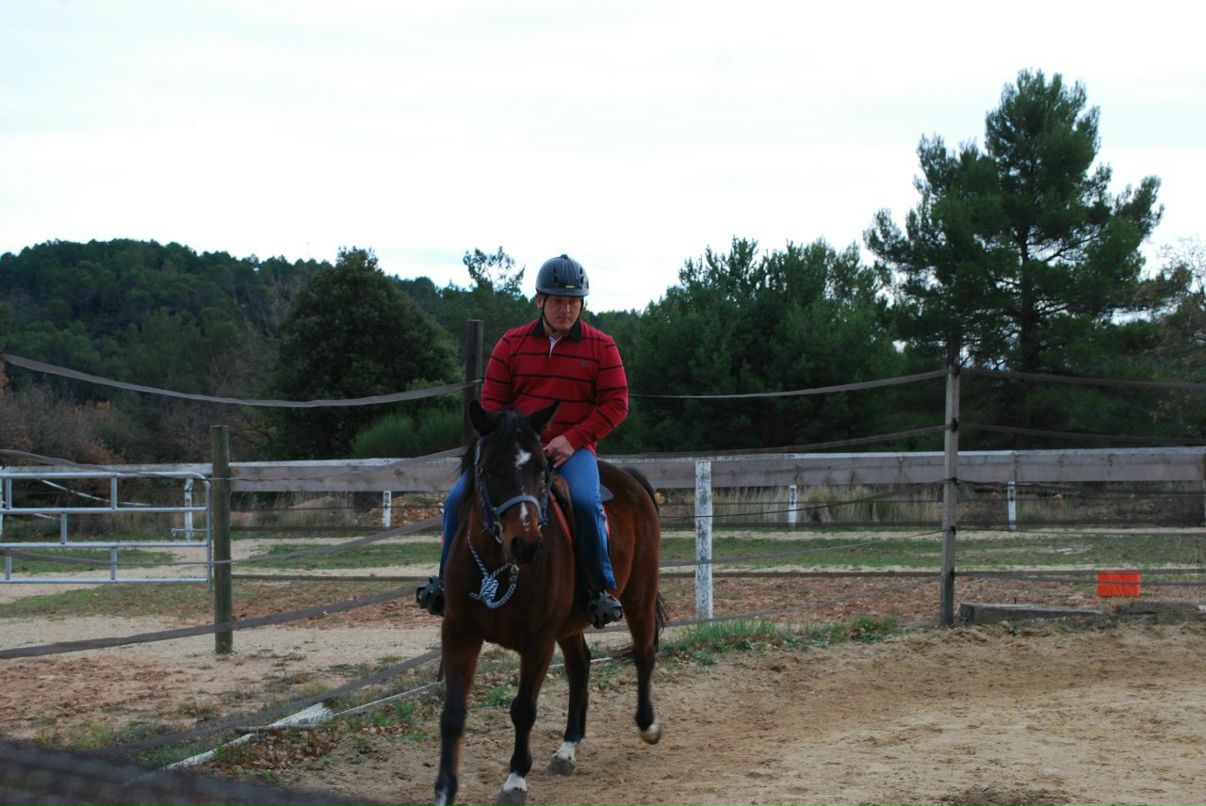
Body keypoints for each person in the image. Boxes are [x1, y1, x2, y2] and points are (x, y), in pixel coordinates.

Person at [416, 254, 628, 628]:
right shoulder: (511, 344)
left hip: (570, 450)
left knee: (584, 502)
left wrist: (572, 438)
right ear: (539, 300)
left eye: (574, 301)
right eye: (558, 301)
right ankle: (445, 584)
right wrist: (518, 442)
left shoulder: (602, 347)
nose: (566, 309)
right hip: (512, 448)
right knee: (454, 500)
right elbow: (493, 402)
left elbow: (616, 404)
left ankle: (599, 588)